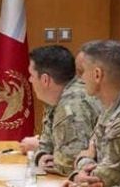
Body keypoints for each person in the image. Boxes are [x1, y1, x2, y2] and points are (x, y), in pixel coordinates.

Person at [67, 40, 120, 187]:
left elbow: (99, 182)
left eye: (83, 72)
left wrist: (82, 160)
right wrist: (85, 165)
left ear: (97, 75)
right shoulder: (109, 109)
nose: (81, 79)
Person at [25, 45, 100, 175]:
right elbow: (47, 146)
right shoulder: (56, 99)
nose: (29, 80)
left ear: (45, 80)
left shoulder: (71, 104)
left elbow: (70, 164)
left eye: (31, 75)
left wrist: (50, 159)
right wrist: (41, 156)